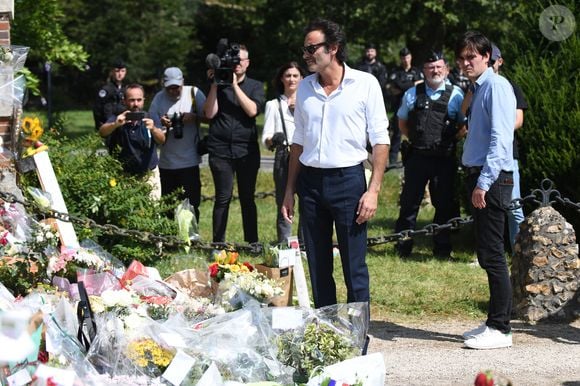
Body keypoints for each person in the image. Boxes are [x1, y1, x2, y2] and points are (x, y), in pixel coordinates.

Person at [281, 19, 389, 309]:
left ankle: (357, 332)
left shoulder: (365, 84)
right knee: (318, 264)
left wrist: (373, 190)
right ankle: (327, 330)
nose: (306, 54)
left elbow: (380, 141)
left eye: (311, 48)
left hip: (349, 182)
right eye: (304, 49)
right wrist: (290, 190)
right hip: (311, 184)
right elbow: (298, 141)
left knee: (354, 266)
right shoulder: (304, 88)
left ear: (333, 48)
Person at [456, 31, 516, 350]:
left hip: (491, 178)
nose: (466, 62)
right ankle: (494, 320)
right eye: (462, 57)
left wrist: (483, 182)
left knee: (493, 255)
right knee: (486, 253)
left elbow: (500, 140)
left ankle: (501, 328)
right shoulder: (480, 88)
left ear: (487, 58)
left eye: (472, 57)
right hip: (481, 175)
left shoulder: (497, 87)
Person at [394, 51, 465, 258]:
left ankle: (442, 249)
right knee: (409, 203)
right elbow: (402, 123)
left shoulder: (456, 94)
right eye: (430, 67)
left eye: (439, 67)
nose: (435, 70)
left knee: (443, 203)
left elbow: (463, 125)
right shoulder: (412, 93)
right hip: (417, 156)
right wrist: (419, 140)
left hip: (443, 158)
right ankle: (403, 245)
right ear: (424, 70)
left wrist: (449, 141)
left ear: (446, 70)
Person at [202, 44, 265, 243]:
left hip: (246, 149)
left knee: (248, 198)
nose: (236, 65)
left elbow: (253, 111)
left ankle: (252, 241)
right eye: (233, 61)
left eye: (241, 61)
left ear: (247, 63)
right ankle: (217, 242)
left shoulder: (255, 86)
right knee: (222, 197)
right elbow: (209, 113)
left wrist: (235, 86)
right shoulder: (219, 83)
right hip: (220, 149)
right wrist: (214, 85)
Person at [148, 67, 207, 221]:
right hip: (167, 163)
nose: (173, 91)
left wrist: (194, 117)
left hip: (190, 161)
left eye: (176, 87)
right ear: (164, 85)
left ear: (183, 82)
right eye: (170, 88)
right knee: (167, 207)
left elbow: (211, 117)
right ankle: (170, 242)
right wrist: (162, 123)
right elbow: (151, 126)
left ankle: (190, 240)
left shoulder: (194, 93)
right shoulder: (158, 99)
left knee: (191, 206)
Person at [490, 44, 528, 251]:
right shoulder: (477, 87)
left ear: (500, 61)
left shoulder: (511, 86)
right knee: (485, 207)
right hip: (482, 155)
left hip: (506, 155)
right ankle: (486, 252)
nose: (489, 64)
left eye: (492, 61)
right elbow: (464, 112)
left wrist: (496, 128)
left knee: (514, 207)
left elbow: (518, 120)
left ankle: (518, 253)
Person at [262, 62, 305, 244]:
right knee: (283, 201)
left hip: (305, 155)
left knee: (307, 202)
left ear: (301, 78)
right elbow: (266, 139)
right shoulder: (273, 105)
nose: (292, 79)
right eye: (288, 75)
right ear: (282, 79)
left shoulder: (308, 102)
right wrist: (274, 140)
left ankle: (305, 243)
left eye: (295, 75)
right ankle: (284, 243)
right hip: (283, 155)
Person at [99, 84, 165, 175]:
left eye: (139, 100)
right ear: (124, 101)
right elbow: (102, 132)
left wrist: (153, 129)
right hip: (124, 174)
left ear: (143, 101)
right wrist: (115, 124)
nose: (136, 104)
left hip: (149, 174)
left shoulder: (151, 116)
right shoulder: (119, 117)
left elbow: (162, 140)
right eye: (132, 100)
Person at [386, 47, 424, 168]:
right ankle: (392, 160)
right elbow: (393, 86)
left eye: (407, 57)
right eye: (403, 57)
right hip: (398, 104)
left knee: (415, 130)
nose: (405, 60)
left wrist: (404, 86)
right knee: (397, 132)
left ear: (410, 57)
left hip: (414, 106)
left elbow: (421, 84)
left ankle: (414, 158)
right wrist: (413, 84)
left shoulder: (416, 71)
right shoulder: (396, 71)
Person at [93, 59, 127, 131]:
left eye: (122, 71)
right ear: (112, 72)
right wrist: (99, 126)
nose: (120, 74)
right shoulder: (106, 90)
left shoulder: (127, 89)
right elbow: (97, 108)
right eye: (117, 71)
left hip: (123, 126)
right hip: (108, 125)